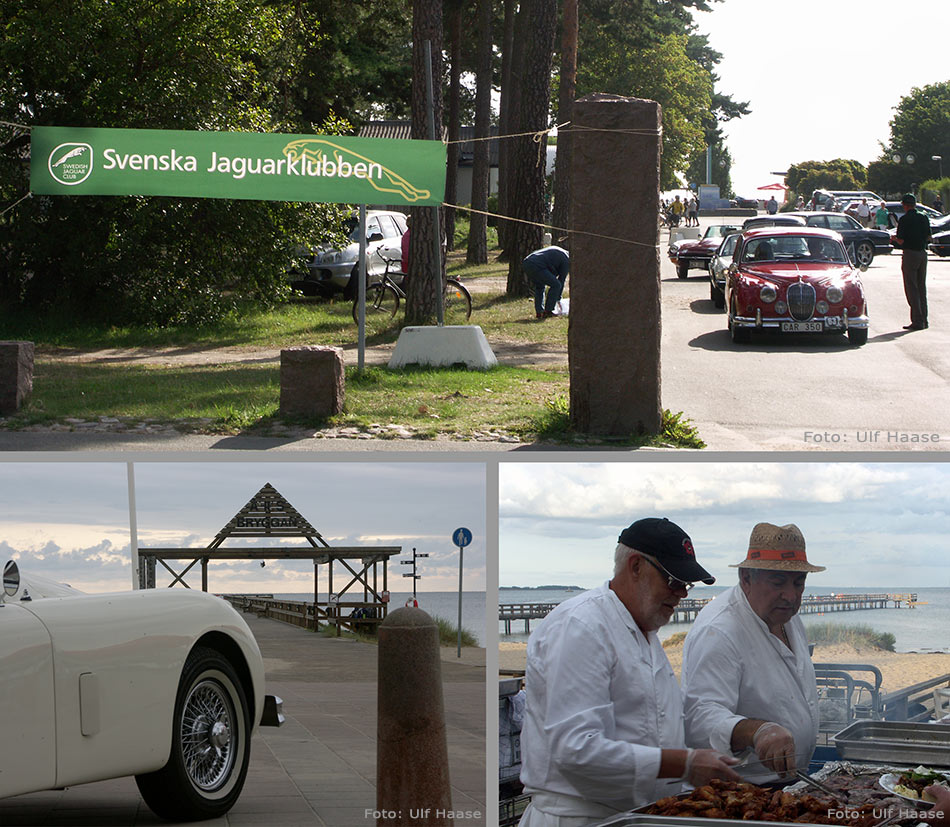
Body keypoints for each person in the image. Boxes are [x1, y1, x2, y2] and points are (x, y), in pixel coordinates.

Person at [518, 518, 740, 826]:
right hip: (580, 817)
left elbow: (660, 722)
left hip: (636, 814)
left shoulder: (644, 631)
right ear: (635, 566)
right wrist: (685, 763)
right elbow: (575, 749)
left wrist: (740, 733)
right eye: (674, 580)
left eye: (685, 585)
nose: (682, 595)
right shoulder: (581, 626)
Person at [682, 522, 825, 782]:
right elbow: (699, 719)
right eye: (778, 582)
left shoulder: (788, 617)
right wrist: (756, 731)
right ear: (746, 578)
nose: (791, 596)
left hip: (793, 783)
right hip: (743, 792)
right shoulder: (720, 631)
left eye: (799, 582)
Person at [893, 193, 933, 330]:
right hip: (922, 253)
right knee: (922, 287)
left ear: (905, 205)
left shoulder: (904, 219)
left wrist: (894, 239)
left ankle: (917, 320)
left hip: (910, 253)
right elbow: (929, 237)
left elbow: (901, 240)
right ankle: (924, 319)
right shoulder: (923, 217)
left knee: (912, 288)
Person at [522, 245, 569, 320]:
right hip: (537, 265)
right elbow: (561, 280)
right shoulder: (567, 260)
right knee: (556, 285)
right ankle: (548, 311)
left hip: (527, 262)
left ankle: (539, 312)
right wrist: (558, 299)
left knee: (540, 286)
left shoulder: (562, 253)